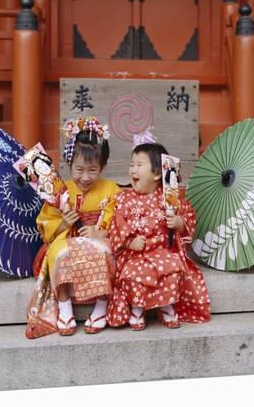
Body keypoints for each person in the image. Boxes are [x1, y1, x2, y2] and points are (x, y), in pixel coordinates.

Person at [26, 117, 120, 338]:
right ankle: (64, 304)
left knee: (105, 250)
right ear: (69, 164)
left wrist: (101, 232)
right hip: (66, 237)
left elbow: (119, 220)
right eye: (78, 169)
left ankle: (101, 305)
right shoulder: (58, 191)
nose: (85, 177)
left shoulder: (111, 189)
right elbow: (46, 230)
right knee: (59, 253)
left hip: (98, 238)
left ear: (102, 167)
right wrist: (64, 223)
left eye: (93, 170)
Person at [106, 142, 210, 330]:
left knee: (173, 269)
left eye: (139, 165)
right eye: (132, 165)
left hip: (163, 251)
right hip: (136, 255)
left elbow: (188, 217)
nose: (133, 170)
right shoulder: (124, 198)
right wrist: (130, 242)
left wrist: (179, 223)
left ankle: (166, 306)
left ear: (156, 174)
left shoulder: (169, 198)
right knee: (133, 275)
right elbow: (116, 226)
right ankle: (137, 309)